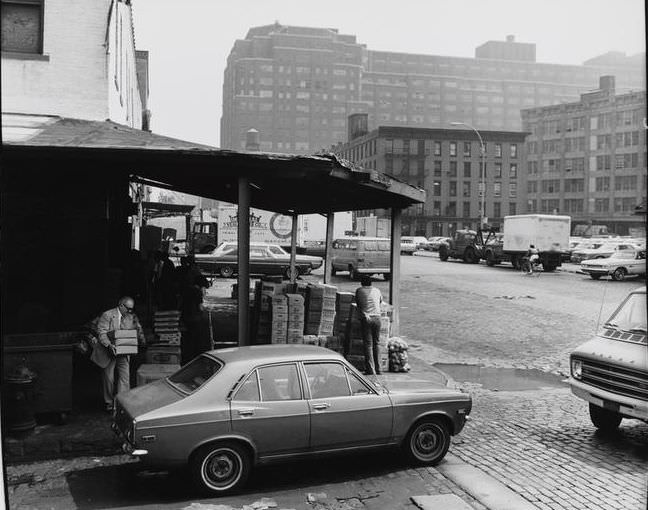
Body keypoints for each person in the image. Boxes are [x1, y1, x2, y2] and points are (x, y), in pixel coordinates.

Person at [92, 296, 145, 412]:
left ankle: (122, 402)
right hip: (108, 351)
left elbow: (134, 331)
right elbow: (102, 333)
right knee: (109, 378)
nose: (130, 311)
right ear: (121, 305)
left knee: (125, 378)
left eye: (132, 309)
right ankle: (109, 403)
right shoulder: (107, 315)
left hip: (124, 352)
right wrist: (109, 345)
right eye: (128, 308)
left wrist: (140, 340)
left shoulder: (130, 317)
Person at [355, 275, 383, 375]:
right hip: (378, 318)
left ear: (362, 283)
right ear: (371, 283)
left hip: (367, 319)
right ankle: (379, 369)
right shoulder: (377, 290)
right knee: (377, 344)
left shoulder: (359, 290)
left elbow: (358, 304)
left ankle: (371, 370)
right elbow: (380, 302)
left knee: (368, 345)